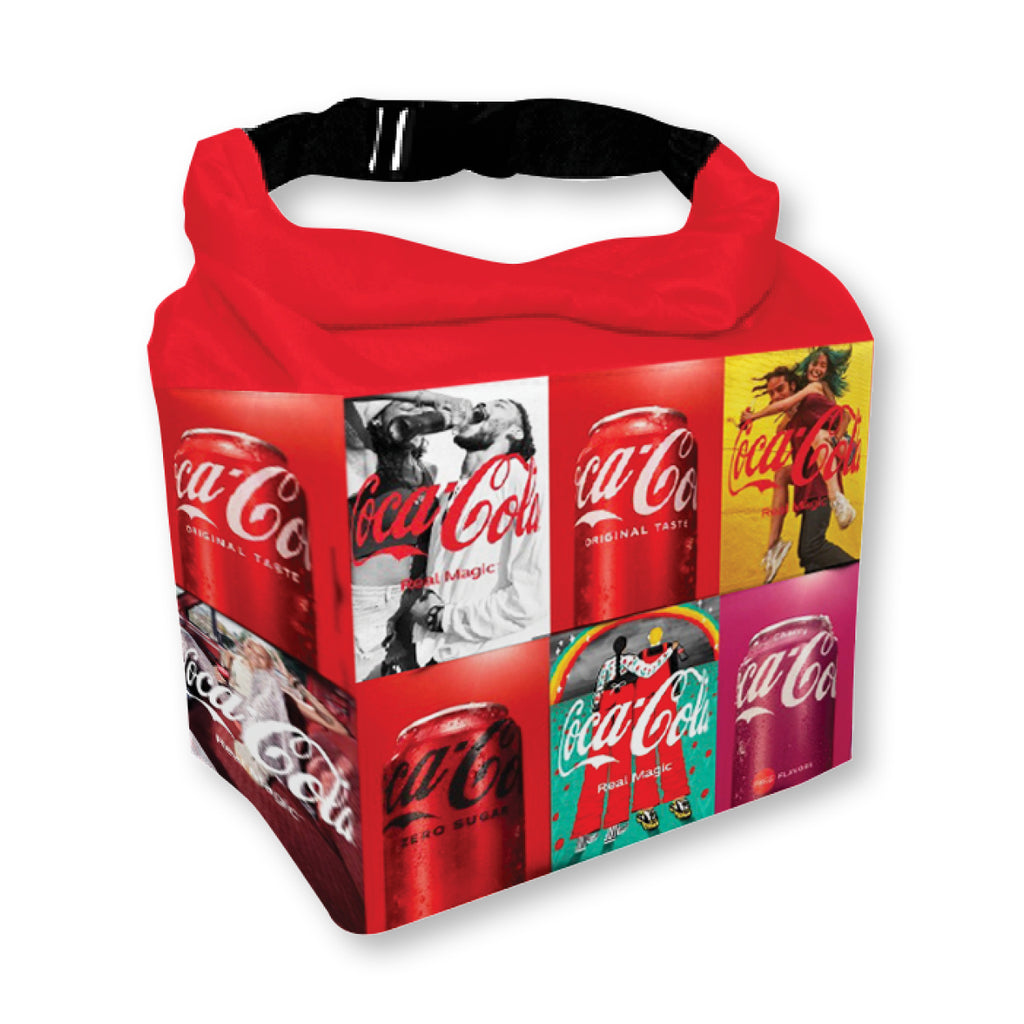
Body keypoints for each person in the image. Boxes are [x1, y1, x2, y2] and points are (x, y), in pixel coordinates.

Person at [398, 398, 546, 667]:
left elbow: (531, 599)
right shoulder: (448, 496)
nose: (483, 406)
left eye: (499, 405)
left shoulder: (520, 481)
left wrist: (441, 618)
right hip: (436, 656)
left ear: (515, 432)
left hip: (487, 659)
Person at [347, 391, 472, 678]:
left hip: (415, 597)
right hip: (372, 603)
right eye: (405, 407)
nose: (417, 412)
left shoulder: (425, 471)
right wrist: (431, 397)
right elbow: (352, 396)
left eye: (419, 410)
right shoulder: (362, 461)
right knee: (369, 682)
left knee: (414, 682)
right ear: (377, 420)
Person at [739, 348, 857, 579]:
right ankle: (774, 546)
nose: (776, 396)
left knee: (811, 548)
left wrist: (837, 437)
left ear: (794, 386)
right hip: (807, 484)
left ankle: (856, 568)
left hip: (823, 481)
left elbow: (845, 415)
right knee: (810, 557)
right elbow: (781, 418)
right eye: (771, 393)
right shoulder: (792, 417)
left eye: (780, 389)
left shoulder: (813, 394)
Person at [572, 635, 679, 852]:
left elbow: (597, 693)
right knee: (620, 766)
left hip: (605, 708)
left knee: (596, 768)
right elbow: (649, 671)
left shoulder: (606, 665)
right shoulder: (630, 660)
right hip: (624, 703)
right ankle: (616, 820)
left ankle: (588, 828)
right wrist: (669, 652)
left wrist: (598, 711)